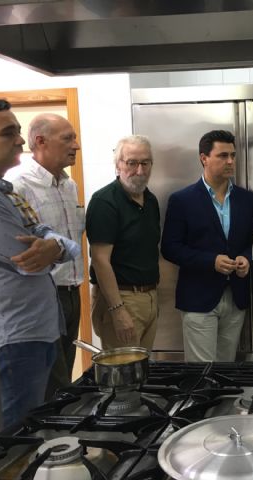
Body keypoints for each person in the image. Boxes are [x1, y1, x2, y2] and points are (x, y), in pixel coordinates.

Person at [0, 98, 80, 427]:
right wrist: (55, 246)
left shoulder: (6, 191)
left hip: (43, 323)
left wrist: (54, 245)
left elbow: (59, 241)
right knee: (16, 433)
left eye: (18, 131)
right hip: (16, 335)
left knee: (47, 412)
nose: (20, 140)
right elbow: (25, 258)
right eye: (8, 133)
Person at [161, 130, 253, 362]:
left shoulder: (246, 199)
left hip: (236, 296)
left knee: (225, 369)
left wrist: (246, 258)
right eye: (223, 156)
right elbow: (170, 248)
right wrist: (210, 261)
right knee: (201, 372)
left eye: (232, 155)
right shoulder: (182, 200)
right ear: (203, 158)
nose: (230, 161)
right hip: (198, 297)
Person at [12, 113, 84, 399]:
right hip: (43, 295)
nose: (76, 145)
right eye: (68, 138)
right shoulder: (18, 186)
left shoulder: (69, 185)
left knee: (63, 377)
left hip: (72, 292)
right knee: (52, 382)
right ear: (40, 141)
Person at [86, 135, 160, 350]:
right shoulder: (105, 202)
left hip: (149, 296)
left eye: (145, 163)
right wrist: (118, 310)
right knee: (123, 368)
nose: (140, 170)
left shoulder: (150, 200)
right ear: (117, 165)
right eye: (131, 163)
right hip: (121, 298)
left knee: (143, 366)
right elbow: (100, 260)